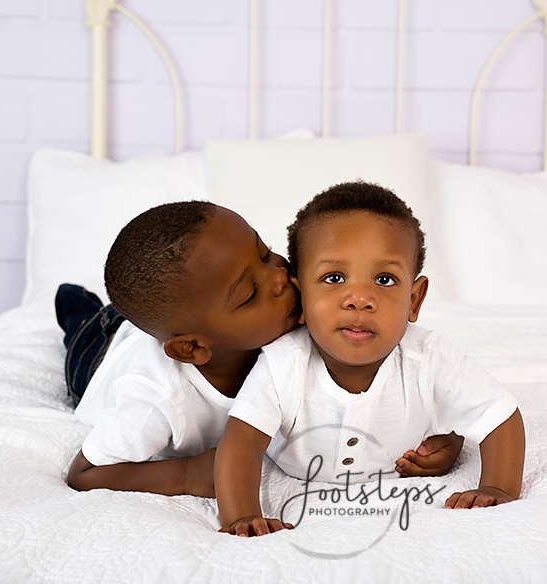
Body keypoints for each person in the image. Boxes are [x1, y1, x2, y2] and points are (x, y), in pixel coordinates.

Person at [57, 200, 464, 498]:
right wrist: (185, 476)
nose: (279, 278)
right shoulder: (152, 397)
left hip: (173, 329)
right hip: (103, 358)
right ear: (197, 349)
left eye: (265, 253)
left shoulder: (289, 321)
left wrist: (443, 436)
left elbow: (400, 374)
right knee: (89, 332)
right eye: (251, 292)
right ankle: (78, 310)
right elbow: (85, 472)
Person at [215, 182, 525, 536]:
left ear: (414, 300)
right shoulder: (283, 362)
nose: (359, 299)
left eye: (384, 279)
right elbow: (243, 440)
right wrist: (242, 515)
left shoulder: (428, 359)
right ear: (301, 299)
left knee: (445, 432)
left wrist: (497, 487)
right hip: (293, 468)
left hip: (400, 468)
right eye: (333, 278)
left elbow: (499, 415)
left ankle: (448, 434)